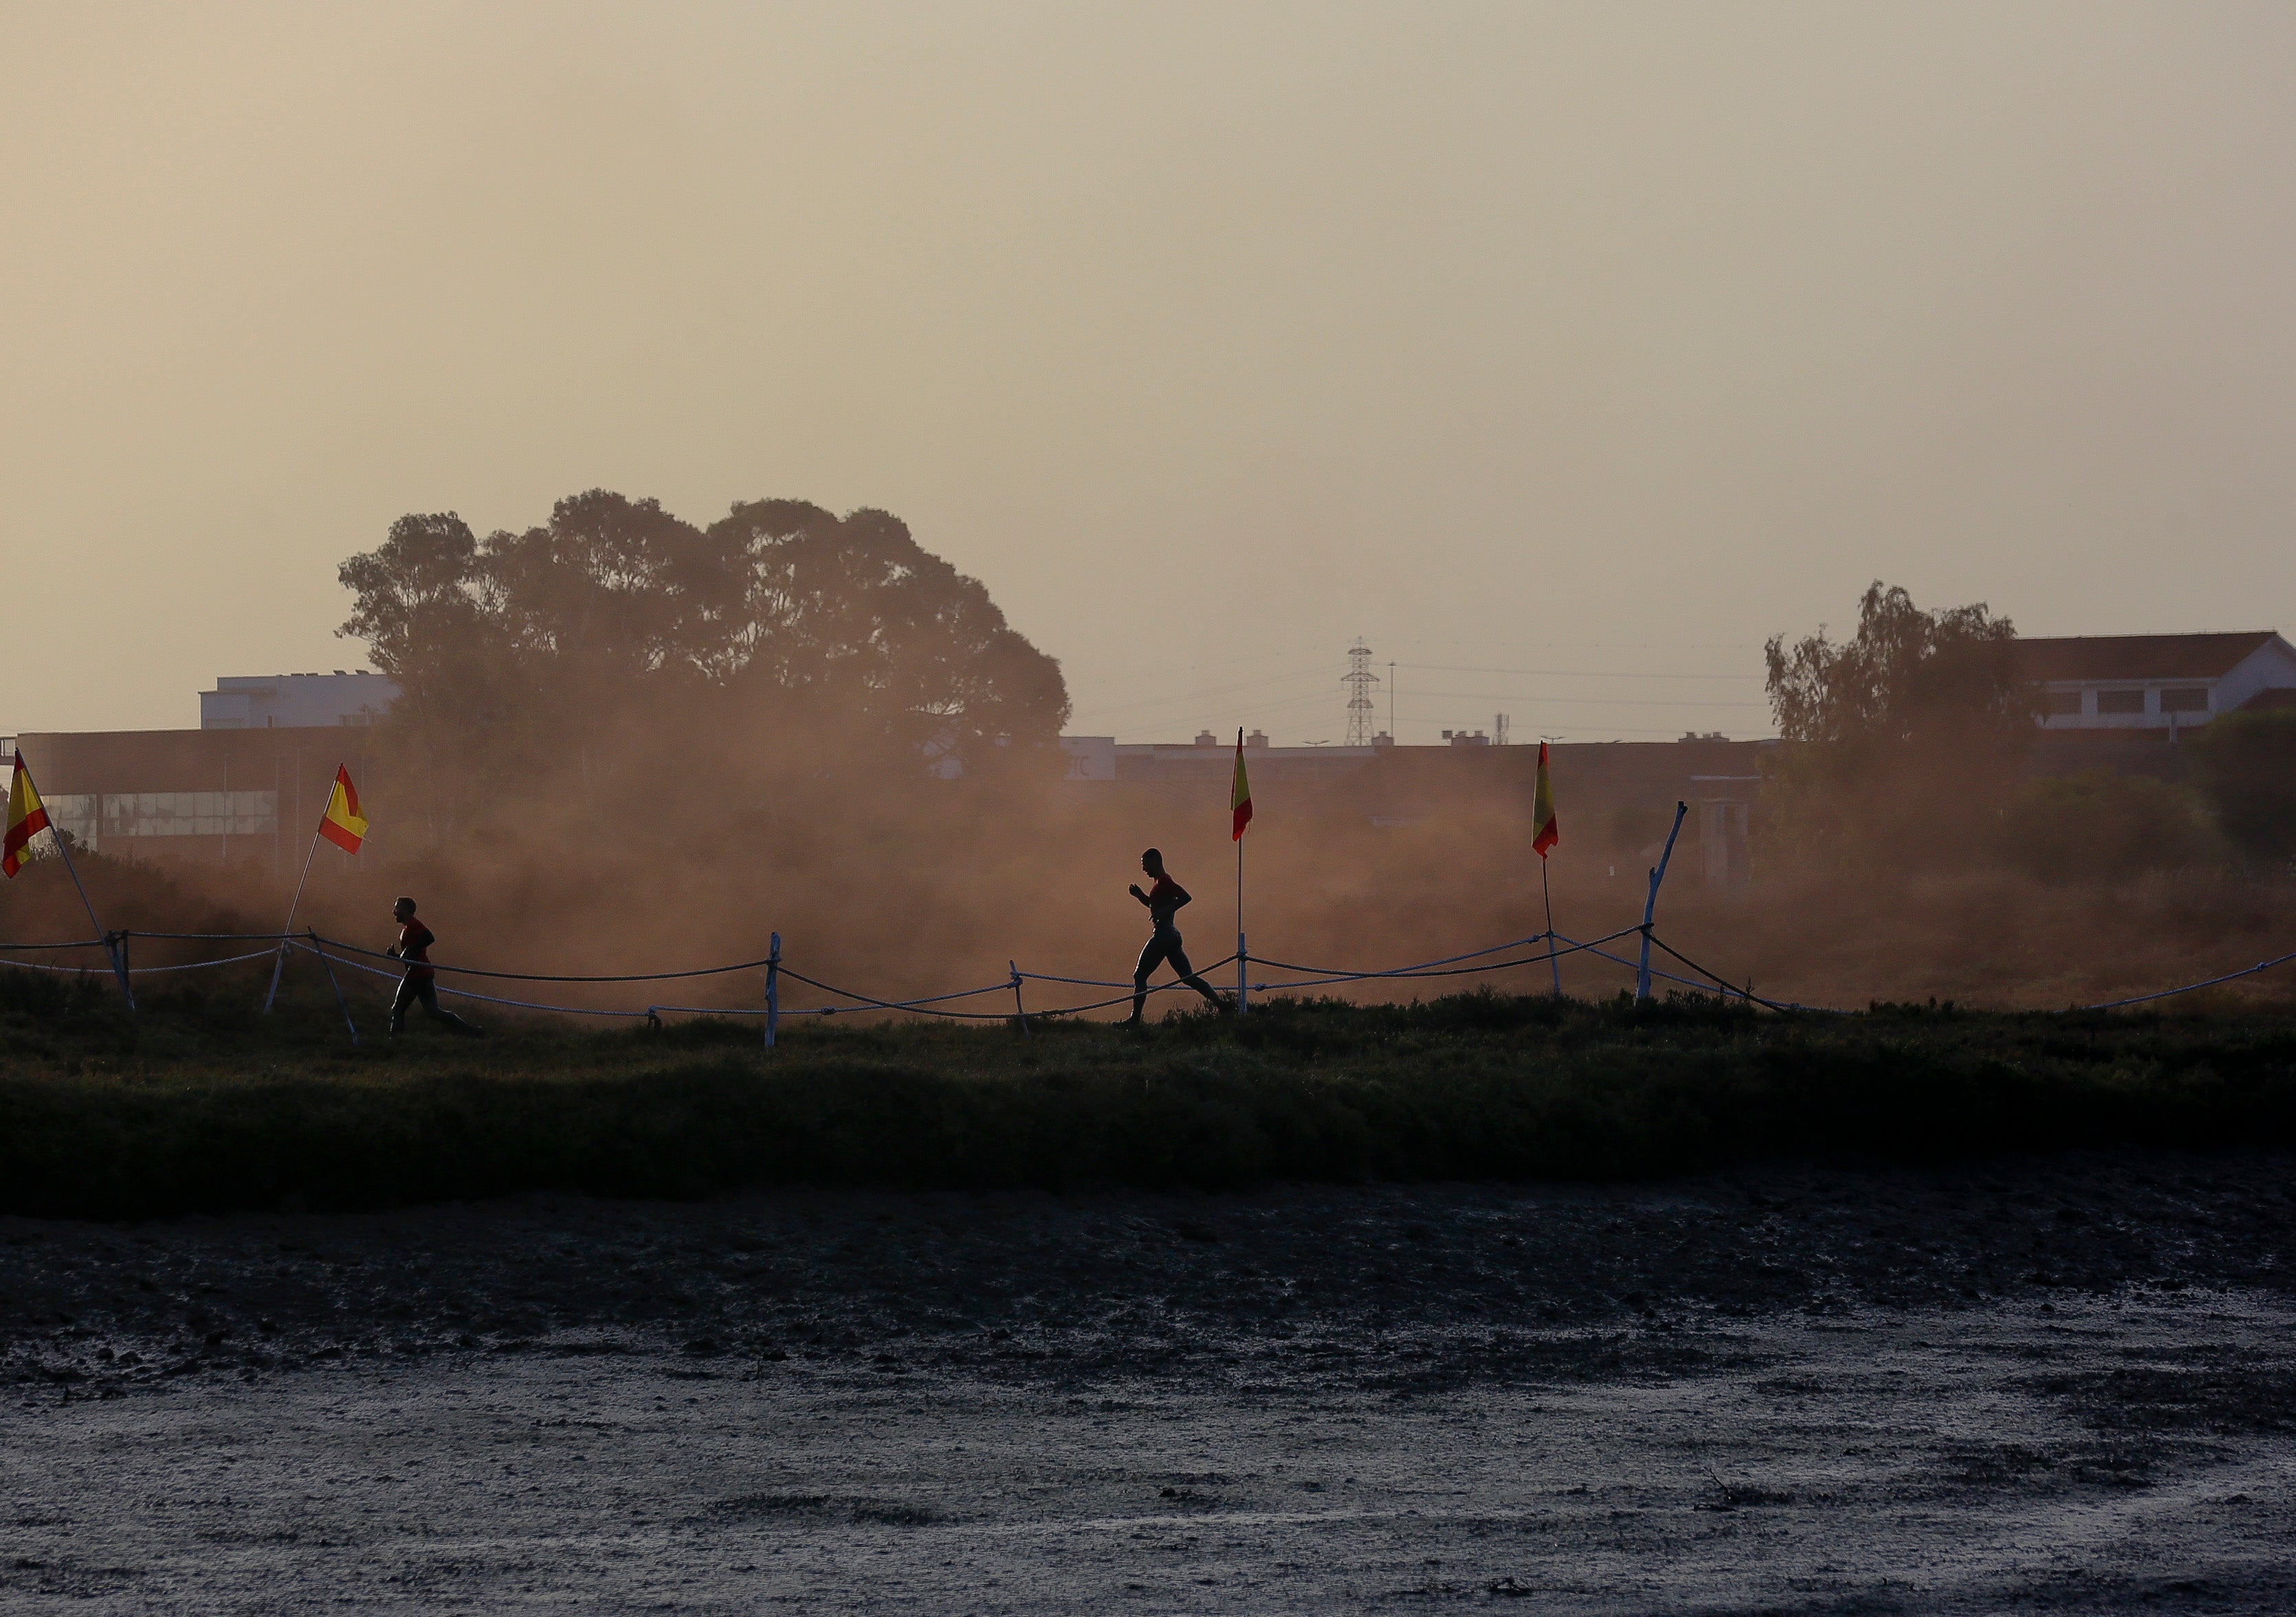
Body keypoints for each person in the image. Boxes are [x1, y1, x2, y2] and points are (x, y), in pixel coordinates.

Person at [1124, 848, 1230, 1026]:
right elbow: (1154, 904)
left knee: (1139, 975)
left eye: (1145, 864)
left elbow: (1185, 897)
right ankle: (1222, 1005)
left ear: (1156, 861)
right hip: (1171, 935)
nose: (1144, 869)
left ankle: (1135, 1020)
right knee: (1188, 977)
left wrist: (1166, 910)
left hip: (1164, 935)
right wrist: (1140, 896)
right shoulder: (1160, 883)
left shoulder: (1165, 880)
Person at [386, 896, 483, 1038]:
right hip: (422, 973)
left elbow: (429, 937)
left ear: (405, 910)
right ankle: (471, 1031)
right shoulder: (408, 927)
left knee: (398, 1009)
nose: (394, 912)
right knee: (434, 1012)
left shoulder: (413, 924)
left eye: (397, 908)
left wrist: (411, 949)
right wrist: (397, 955)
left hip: (417, 974)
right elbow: (411, 955)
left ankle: (394, 1041)